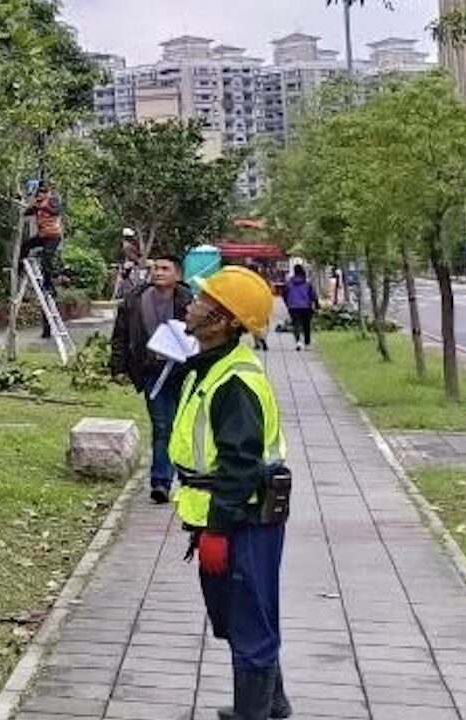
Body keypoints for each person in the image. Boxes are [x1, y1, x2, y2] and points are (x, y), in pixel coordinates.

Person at [173, 266, 293, 720]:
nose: (191, 302)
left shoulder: (235, 382)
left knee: (248, 619)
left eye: (202, 300)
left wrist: (219, 529)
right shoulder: (212, 366)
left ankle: (255, 713)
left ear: (222, 321)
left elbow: (239, 465)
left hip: (242, 519)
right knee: (240, 616)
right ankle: (273, 701)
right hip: (225, 516)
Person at [110, 253, 193, 504]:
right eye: (156, 268)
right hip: (150, 371)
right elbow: (121, 335)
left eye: (165, 268)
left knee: (182, 425)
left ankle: (188, 477)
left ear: (177, 275)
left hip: (182, 372)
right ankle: (160, 482)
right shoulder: (134, 300)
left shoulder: (188, 301)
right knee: (161, 426)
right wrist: (118, 367)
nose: (158, 272)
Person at [24, 183, 65, 336]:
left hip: (53, 236)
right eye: (37, 195)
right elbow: (27, 212)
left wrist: (42, 207)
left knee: (47, 259)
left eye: (40, 195)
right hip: (42, 236)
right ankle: (22, 268)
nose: (38, 197)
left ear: (45, 193)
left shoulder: (51, 201)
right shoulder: (38, 204)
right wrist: (26, 204)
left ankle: (49, 283)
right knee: (26, 245)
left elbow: (57, 211)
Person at [282, 265, 318, 350]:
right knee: (306, 325)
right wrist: (316, 304)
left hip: (293, 306)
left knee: (296, 324)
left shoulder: (289, 282)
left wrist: (288, 303)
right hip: (306, 306)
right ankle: (307, 343)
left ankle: (298, 342)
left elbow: (284, 294)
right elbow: (313, 295)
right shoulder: (307, 282)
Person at [114, 227, 147, 299]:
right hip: (130, 265)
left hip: (128, 265)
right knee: (133, 280)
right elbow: (134, 256)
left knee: (127, 280)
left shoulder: (126, 244)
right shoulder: (128, 245)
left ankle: (120, 294)